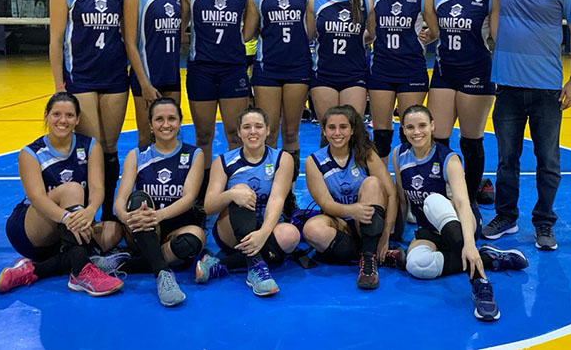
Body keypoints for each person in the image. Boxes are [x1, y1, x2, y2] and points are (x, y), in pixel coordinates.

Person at [485, 0, 571, 251]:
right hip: (508, 89)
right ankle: (506, 216)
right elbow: (492, 13)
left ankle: (544, 223)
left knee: (548, 160)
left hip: (546, 90)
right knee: (506, 160)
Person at [392, 105, 529, 321]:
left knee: (433, 201)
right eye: (410, 127)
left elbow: (464, 204)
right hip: (429, 230)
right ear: (403, 129)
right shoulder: (399, 154)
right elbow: (401, 199)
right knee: (417, 265)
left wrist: (468, 243)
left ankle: (480, 285)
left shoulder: (449, 159)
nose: (416, 132)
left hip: (462, 222)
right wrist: (393, 237)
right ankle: (488, 257)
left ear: (433, 126)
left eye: (422, 126)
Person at [0, 93, 123, 295]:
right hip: (32, 229)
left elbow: (98, 188)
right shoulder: (30, 153)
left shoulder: (90, 145)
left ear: (77, 119)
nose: (63, 120)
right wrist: (68, 218)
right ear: (46, 115)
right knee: (73, 189)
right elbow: (37, 198)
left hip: (64, 232)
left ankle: (34, 270)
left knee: (114, 230)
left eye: (69, 115)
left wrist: (90, 211)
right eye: (56, 114)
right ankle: (82, 273)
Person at [48, 0, 129, 222]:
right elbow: (56, 39)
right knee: (92, 148)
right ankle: (86, 214)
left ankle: (108, 216)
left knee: (109, 146)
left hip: (115, 77)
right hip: (80, 77)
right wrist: (60, 85)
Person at [96, 98, 206, 307]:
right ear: (150, 124)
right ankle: (162, 273)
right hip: (143, 228)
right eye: (159, 119)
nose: (166, 124)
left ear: (180, 122)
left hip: (176, 226)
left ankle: (124, 262)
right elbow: (120, 199)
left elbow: (189, 197)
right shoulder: (137, 155)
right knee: (138, 200)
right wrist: (126, 217)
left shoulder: (194, 154)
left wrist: (159, 215)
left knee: (196, 238)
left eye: (172, 118)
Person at [180, 0, 258, 204]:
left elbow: (250, 27)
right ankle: (203, 195)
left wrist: (236, 40)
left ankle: (239, 190)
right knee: (203, 135)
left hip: (232, 68)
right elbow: (179, 27)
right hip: (201, 68)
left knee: (235, 135)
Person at [423, 0, 495, 230]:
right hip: (444, 71)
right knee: (438, 139)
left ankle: (471, 199)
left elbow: (499, 35)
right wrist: (425, 35)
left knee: (470, 140)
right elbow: (433, 31)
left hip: (477, 72)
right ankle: (439, 196)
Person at [198, 107, 300, 296]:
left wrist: (263, 233)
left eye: (258, 126)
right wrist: (231, 195)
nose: (253, 131)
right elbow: (209, 205)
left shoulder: (281, 159)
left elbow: (277, 199)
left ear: (268, 130)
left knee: (291, 235)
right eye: (246, 127)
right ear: (239, 132)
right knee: (241, 191)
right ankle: (256, 268)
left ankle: (221, 264)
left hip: (265, 228)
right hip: (231, 231)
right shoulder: (224, 161)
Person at [302, 105, 400, 289]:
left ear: (352, 130)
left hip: (368, 222)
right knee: (311, 230)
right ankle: (370, 254)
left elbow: (391, 193)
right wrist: (352, 210)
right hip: (341, 223)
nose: (337, 132)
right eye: (331, 127)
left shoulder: (366, 153)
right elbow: (325, 203)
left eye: (343, 127)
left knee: (372, 183)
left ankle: (369, 262)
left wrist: (386, 235)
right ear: (323, 130)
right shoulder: (313, 161)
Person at [251, 0, 315, 208]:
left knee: (291, 133)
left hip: (298, 66)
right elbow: (251, 30)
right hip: (268, 68)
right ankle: (268, 191)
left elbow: (313, 29)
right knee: (270, 133)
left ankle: (287, 195)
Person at [368, 0, 438, 167]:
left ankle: (407, 184)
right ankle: (382, 189)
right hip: (382, 69)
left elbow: (434, 30)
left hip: (411, 69)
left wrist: (427, 35)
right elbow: (370, 32)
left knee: (409, 133)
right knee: (381, 135)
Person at [123, 0, 182, 146]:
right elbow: (130, 41)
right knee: (147, 137)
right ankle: (144, 180)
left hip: (171, 73)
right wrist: (144, 84)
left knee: (170, 135)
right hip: (147, 75)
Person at [305, 0, 376, 131]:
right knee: (328, 132)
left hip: (354, 75)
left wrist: (358, 39)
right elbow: (311, 35)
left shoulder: (365, 1)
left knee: (352, 132)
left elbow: (372, 33)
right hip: (324, 75)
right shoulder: (316, 1)